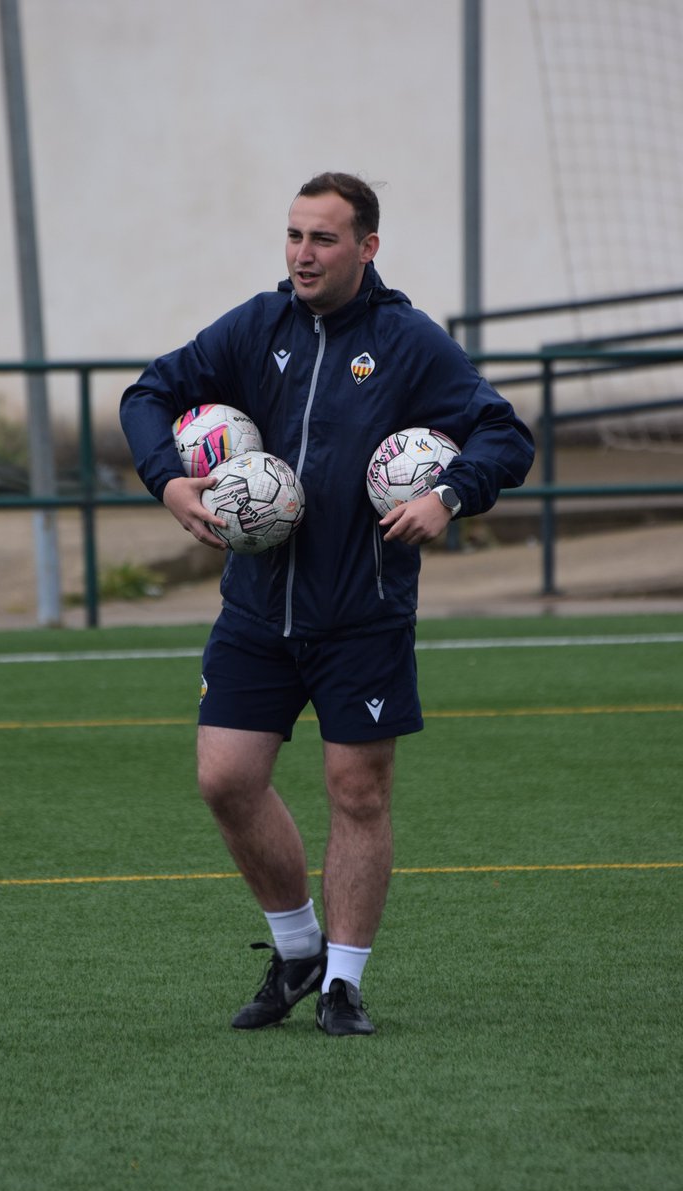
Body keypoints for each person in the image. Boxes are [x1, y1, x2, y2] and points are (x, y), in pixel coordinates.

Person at [120, 172, 534, 1036]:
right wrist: (169, 481)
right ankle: (298, 945)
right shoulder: (257, 325)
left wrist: (450, 496)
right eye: (295, 236)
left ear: (367, 248)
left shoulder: (408, 340)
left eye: (324, 239)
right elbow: (148, 392)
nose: (303, 254)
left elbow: (505, 432)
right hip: (255, 610)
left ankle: (343, 983)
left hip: (362, 611)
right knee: (226, 780)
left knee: (358, 793)